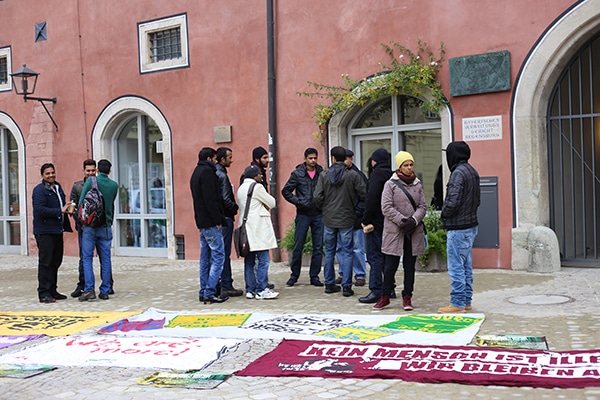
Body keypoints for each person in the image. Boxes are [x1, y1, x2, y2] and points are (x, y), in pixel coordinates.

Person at [373, 151, 427, 311]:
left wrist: (414, 220)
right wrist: (402, 221)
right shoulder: (390, 184)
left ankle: (407, 296)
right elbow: (386, 207)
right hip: (395, 231)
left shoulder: (417, 184)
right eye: (406, 165)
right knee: (390, 266)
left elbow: (423, 206)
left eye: (411, 164)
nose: (409, 168)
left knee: (410, 266)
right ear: (399, 166)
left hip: (413, 230)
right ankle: (385, 296)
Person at [314, 146, 366, 297]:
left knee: (330, 251)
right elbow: (364, 193)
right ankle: (347, 287)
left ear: (333, 158)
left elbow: (317, 196)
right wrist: (356, 209)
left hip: (329, 218)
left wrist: (324, 208)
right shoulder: (352, 175)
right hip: (347, 218)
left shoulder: (324, 175)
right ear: (345, 159)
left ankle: (329, 284)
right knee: (348, 252)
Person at [438, 141, 480, 314]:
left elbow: (452, 202)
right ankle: (466, 300)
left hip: (458, 227)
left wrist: (444, 214)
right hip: (470, 225)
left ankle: (457, 303)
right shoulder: (472, 171)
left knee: (456, 266)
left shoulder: (457, 173)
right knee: (466, 266)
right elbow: (478, 201)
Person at [69, 159, 114, 298]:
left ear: (98, 170)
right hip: (106, 226)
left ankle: (89, 289)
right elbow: (111, 204)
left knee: (87, 258)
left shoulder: (90, 182)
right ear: (110, 171)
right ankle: (105, 290)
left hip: (90, 226)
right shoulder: (114, 185)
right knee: (106, 259)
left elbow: (81, 203)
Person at [190, 147, 229, 304]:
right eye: (214, 158)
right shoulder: (207, 173)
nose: (215, 161)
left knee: (205, 257)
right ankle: (210, 291)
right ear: (209, 159)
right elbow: (211, 199)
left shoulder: (196, 172)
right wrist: (218, 219)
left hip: (201, 221)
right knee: (219, 256)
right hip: (210, 222)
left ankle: (203, 290)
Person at [282, 147, 324, 287]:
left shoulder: (321, 173)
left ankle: (314, 276)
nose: (313, 161)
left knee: (318, 247)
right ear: (305, 158)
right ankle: (294, 275)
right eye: (310, 158)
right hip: (303, 214)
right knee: (298, 246)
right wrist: (298, 201)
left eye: (315, 158)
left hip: (318, 213)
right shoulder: (298, 174)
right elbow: (286, 191)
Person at [32, 163, 72, 303]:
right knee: (46, 262)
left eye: (52, 172)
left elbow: (61, 206)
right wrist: (59, 211)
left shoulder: (57, 187)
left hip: (57, 230)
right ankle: (43, 293)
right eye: (48, 173)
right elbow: (40, 210)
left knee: (56, 261)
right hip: (44, 231)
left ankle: (52, 290)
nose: (51, 175)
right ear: (42, 175)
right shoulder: (39, 190)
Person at [237, 165, 279, 299]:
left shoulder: (241, 188)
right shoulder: (257, 187)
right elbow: (272, 202)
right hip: (258, 228)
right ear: (254, 175)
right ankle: (262, 289)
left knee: (249, 261)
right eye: (259, 174)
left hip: (246, 228)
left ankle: (250, 289)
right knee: (263, 260)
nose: (261, 176)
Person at [359, 148, 393, 304]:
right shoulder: (392, 175)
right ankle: (389, 288)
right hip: (390, 221)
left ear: (374, 161)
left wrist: (366, 219)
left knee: (374, 256)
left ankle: (376, 290)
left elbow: (371, 199)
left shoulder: (376, 176)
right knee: (388, 256)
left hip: (376, 222)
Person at [215, 147, 243, 297]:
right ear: (222, 159)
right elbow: (226, 199)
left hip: (217, 218)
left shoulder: (214, 173)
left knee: (217, 253)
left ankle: (219, 283)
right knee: (224, 253)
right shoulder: (222, 176)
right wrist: (235, 208)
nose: (231, 160)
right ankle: (226, 284)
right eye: (229, 157)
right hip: (225, 218)